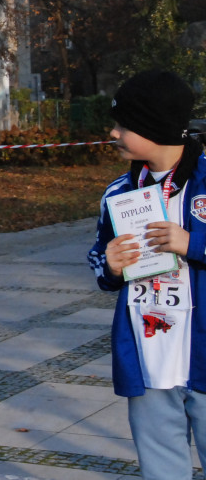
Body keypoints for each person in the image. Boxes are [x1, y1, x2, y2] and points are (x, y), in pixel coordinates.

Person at [87, 70, 205, 480]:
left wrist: (192, 245)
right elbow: (98, 260)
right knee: (161, 467)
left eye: (123, 125)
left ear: (154, 128)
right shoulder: (119, 192)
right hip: (150, 354)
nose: (113, 133)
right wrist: (111, 266)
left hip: (203, 356)